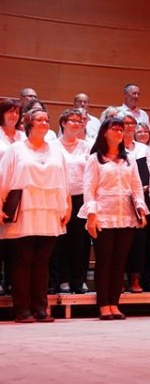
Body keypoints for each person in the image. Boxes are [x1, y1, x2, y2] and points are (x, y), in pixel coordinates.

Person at [0, 107, 71, 322]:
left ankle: (41, 307)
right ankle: (22, 309)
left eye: (47, 120)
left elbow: (64, 181)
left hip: (49, 210)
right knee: (22, 261)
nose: (44, 123)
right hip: (24, 210)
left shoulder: (56, 149)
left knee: (42, 262)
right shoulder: (16, 149)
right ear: (29, 123)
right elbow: (3, 178)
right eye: (39, 119)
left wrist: (67, 206)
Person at [78, 117, 148, 320]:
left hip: (125, 214)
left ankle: (114, 303)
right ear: (104, 133)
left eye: (121, 129)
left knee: (119, 262)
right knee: (104, 262)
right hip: (103, 214)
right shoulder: (95, 159)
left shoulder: (129, 159)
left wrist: (141, 209)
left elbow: (136, 187)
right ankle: (103, 304)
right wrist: (91, 215)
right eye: (115, 129)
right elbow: (89, 189)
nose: (119, 132)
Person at [49, 109, 91, 294]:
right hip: (59, 197)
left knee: (80, 241)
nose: (76, 124)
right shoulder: (53, 146)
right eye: (72, 120)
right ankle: (60, 279)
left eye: (79, 121)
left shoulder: (86, 146)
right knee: (59, 240)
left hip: (81, 197)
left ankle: (78, 280)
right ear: (63, 123)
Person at [120, 112, 149, 293]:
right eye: (125, 123)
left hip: (140, 197)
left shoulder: (143, 148)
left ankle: (135, 279)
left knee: (139, 242)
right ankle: (119, 278)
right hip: (120, 199)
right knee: (121, 242)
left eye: (132, 123)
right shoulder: (114, 147)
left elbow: (149, 172)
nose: (129, 126)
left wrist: (143, 188)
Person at [0, 98, 26, 296]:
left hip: (19, 193)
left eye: (17, 112)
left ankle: (10, 281)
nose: (14, 115)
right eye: (10, 111)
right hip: (0, 189)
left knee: (14, 240)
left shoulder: (23, 137)